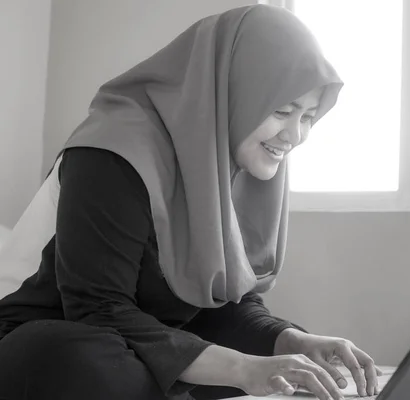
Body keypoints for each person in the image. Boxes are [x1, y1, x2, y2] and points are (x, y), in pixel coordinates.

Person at [0, 5, 381, 400]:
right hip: (42, 342)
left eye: (308, 117)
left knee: (238, 363)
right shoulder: (112, 150)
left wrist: (289, 342)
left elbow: (216, 304)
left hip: (141, 339)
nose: (295, 136)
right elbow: (99, 310)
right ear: (232, 92)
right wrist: (241, 368)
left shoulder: (225, 162)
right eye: (283, 111)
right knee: (93, 361)